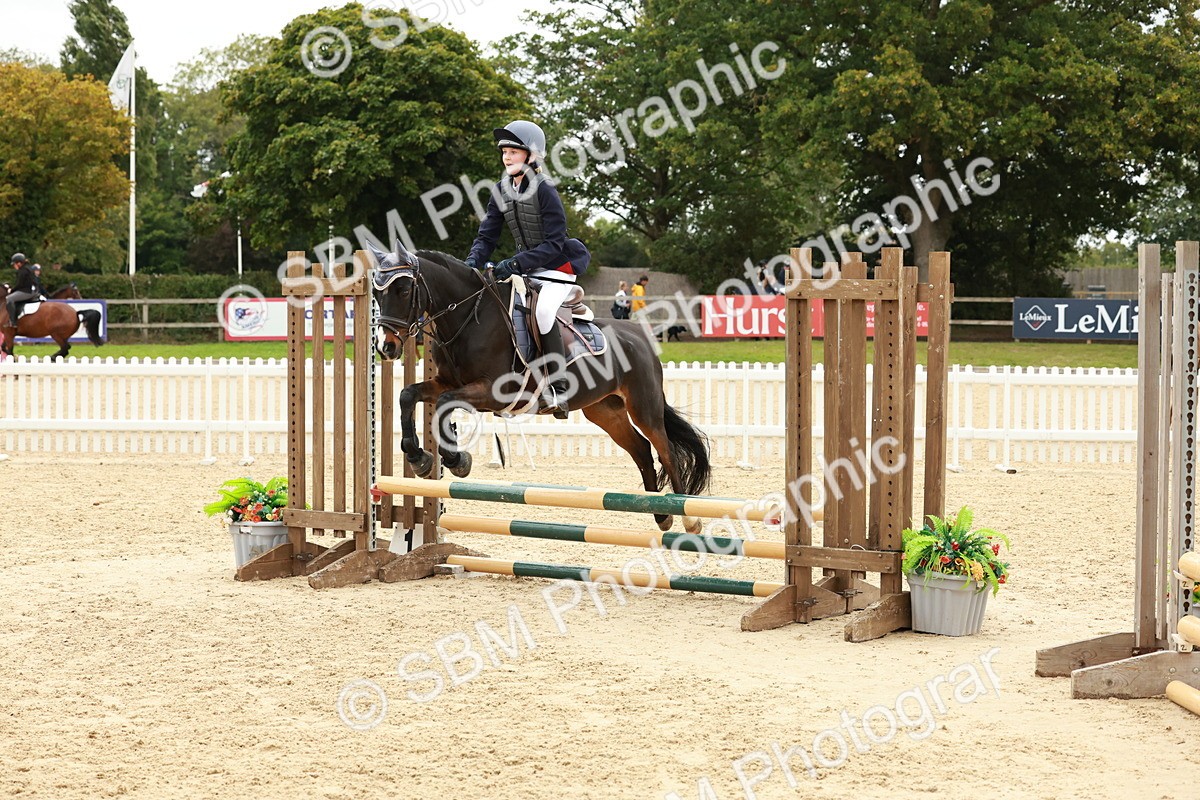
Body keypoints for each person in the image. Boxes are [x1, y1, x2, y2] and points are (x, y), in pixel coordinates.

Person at [465, 119, 591, 418]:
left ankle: (559, 389)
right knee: (500, 309)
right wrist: (472, 263)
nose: (507, 156)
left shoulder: (545, 189)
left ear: (531, 156)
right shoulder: (501, 189)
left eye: (513, 151)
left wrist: (515, 263)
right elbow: (487, 235)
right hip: (528, 269)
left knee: (544, 312)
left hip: (558, 268)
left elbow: (555, 242)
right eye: (504, 151)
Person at [4, 253, 40, 326]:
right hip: (31, 290)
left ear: (19, 263)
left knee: (9, 298)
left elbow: (19, 285)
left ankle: (12, 321)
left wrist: (11, 290)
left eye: (14, 264)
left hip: (28, 291)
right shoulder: (28, 268)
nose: (14, 266)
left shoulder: (23, 271)